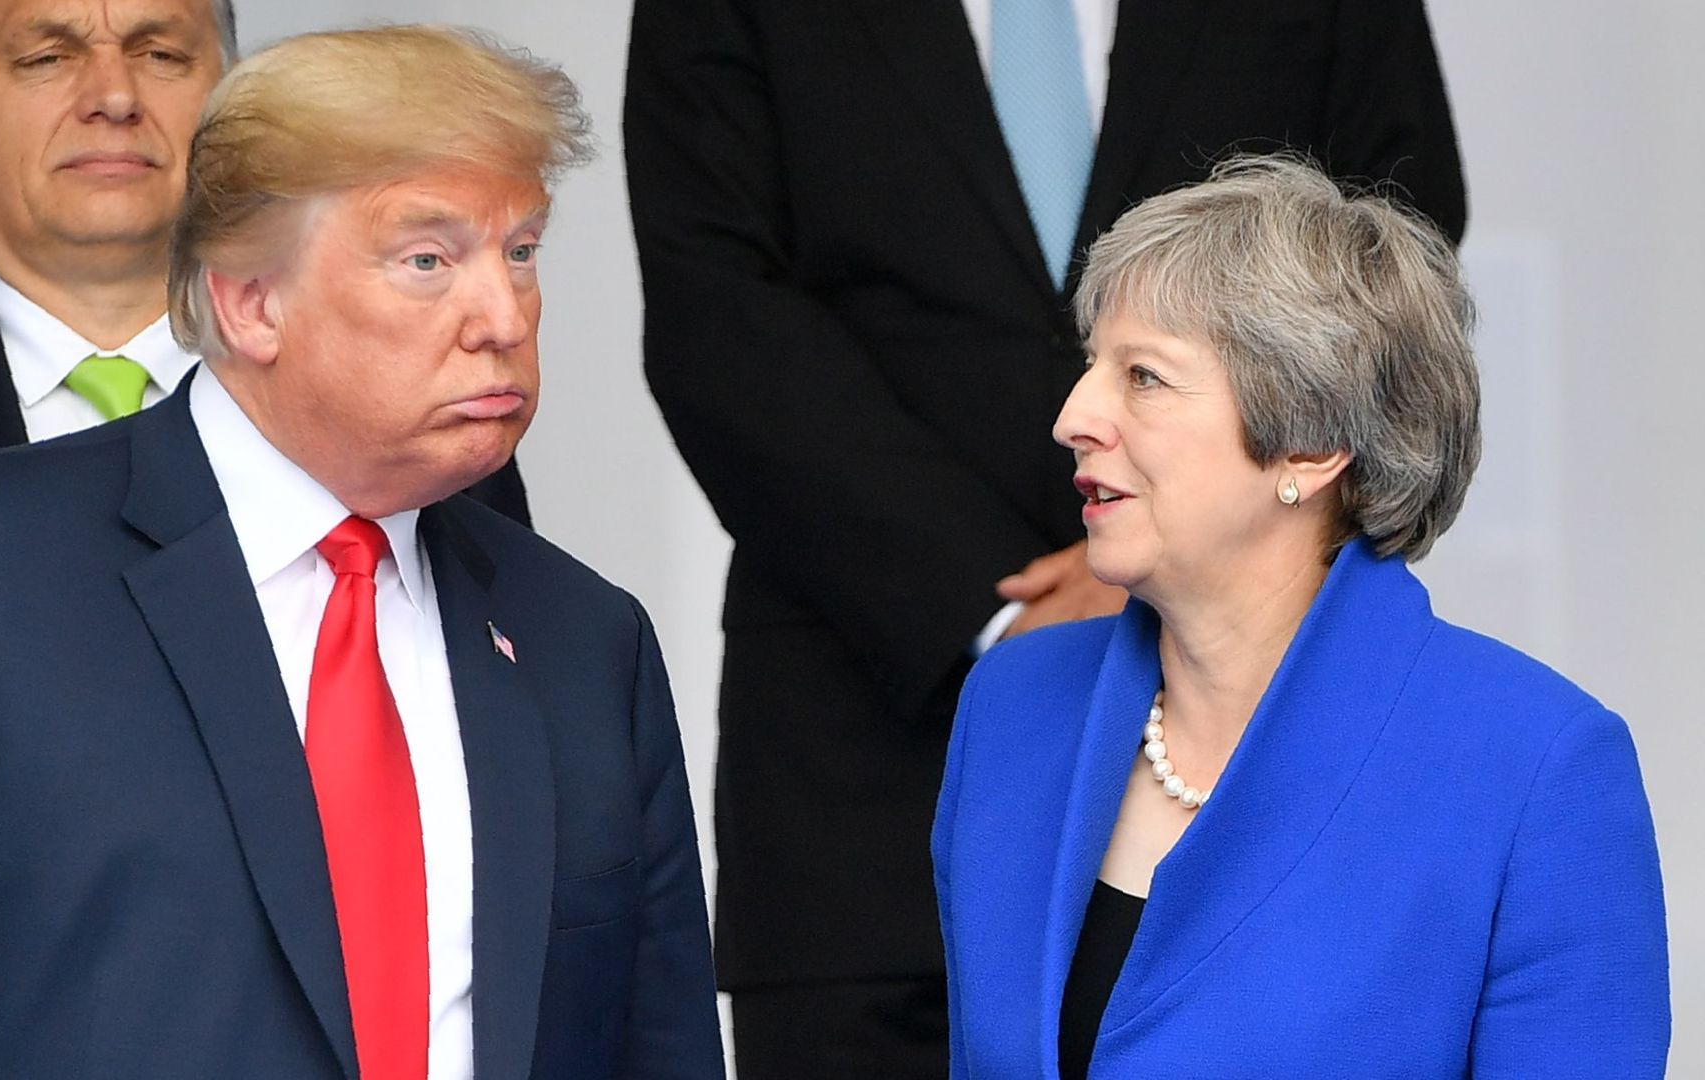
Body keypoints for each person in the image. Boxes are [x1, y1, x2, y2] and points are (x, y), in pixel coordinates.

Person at [0, 26, 724, 1080]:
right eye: (428, 260)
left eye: (520, 252)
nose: (502, 316)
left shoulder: (586, 641)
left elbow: (661, 1046)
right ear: (249, 302)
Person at [623, 0, 1466, 1072]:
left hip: (1259, 729)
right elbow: (714, 309)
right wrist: (1000, 602)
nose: (1083, 414)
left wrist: (1162, 560)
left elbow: (1389, 254)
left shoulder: (1530, 753)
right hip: (862, 761)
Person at [933, 156, 1669, 1078]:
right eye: (1093, 365)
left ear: (1311, 444)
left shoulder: (1536, 771)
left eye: (1146, 376)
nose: (1075, 416)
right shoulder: (1013, 706)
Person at [0, 0, 530, 628]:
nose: (113, 96)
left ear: (238, 107)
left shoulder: (407, 410)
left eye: (163, 54)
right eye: (47, 57)